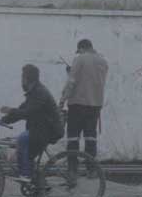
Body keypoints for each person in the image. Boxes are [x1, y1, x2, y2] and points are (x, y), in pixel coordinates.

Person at [1, 64, 62, 182]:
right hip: (41, 129)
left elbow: (28, 112)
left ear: (28, 79)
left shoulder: (40, 92)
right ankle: (38, 183)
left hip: (48, 130)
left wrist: (10, 110)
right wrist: (3, 120)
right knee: (23, 142)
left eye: (22, 78)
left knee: (22, 139)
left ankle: (26, 175)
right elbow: (22, 110)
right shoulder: (34, 92)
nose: (21, 81)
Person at [60, 39, 109, 178]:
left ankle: (72, 170)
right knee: (90, 138)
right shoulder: (103, 61)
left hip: (77, 104)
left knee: (73, 138)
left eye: (79, 50)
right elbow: (94, 81)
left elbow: (72, 82)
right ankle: (91, 170)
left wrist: (62, 100)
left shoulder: (80, 59)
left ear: (81, 48)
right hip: (95, 106)